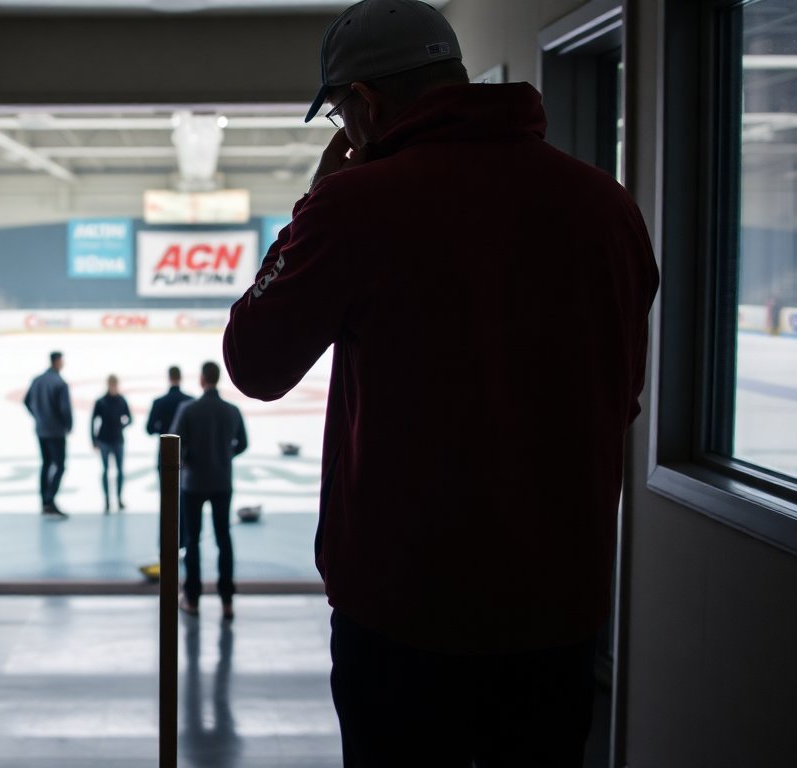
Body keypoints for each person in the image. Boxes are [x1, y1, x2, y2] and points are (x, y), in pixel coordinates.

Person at [221, 1, 659, 765]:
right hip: (559, 610)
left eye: (340, 120)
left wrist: (310, 207)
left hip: (404, 614)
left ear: (363, 104)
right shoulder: (607, 205)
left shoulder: (357, 205)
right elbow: (619, 397)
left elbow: (255, 363)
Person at [170, 361, 247, 620]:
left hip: (193, 483)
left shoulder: (189, 409)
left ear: (202, 379)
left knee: (192, 540)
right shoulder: (231, 410)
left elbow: (174, 443)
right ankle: (227, 601)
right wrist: (225, 455)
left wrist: (188, 460)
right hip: (222, 481)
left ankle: (192, 598)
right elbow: (243, 443)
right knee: (224, 538)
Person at [139, 366, 196, 580]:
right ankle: (183, 542)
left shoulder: (159, 402)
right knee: (184, 502)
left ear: (168, 377)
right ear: (180, 378)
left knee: (167, 502)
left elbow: (149, 428)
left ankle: (166, 544)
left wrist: (162, 429)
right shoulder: (190, 401)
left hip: (164, 457)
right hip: (185, 458)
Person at [24, 351, 73, 519]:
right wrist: (68, 425)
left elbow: (26, 401)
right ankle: (50, 499)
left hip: (41, 429)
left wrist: (38, 416)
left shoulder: (37, 380)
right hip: (56, 431)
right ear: (58, 361)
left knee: (46, 464)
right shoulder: (60, 383)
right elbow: (65, 409)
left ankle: (44, 501)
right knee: (59, 465)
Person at [91, 374, 133, 513]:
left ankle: (119, 498)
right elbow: (93, 420)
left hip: (118, 439)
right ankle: (107, 500)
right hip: (104, 440)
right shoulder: (101, 401)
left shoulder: (121, 400)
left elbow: (129, 418)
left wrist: (121, 426)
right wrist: (94, 439)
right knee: (105, 470)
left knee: (120, 470)